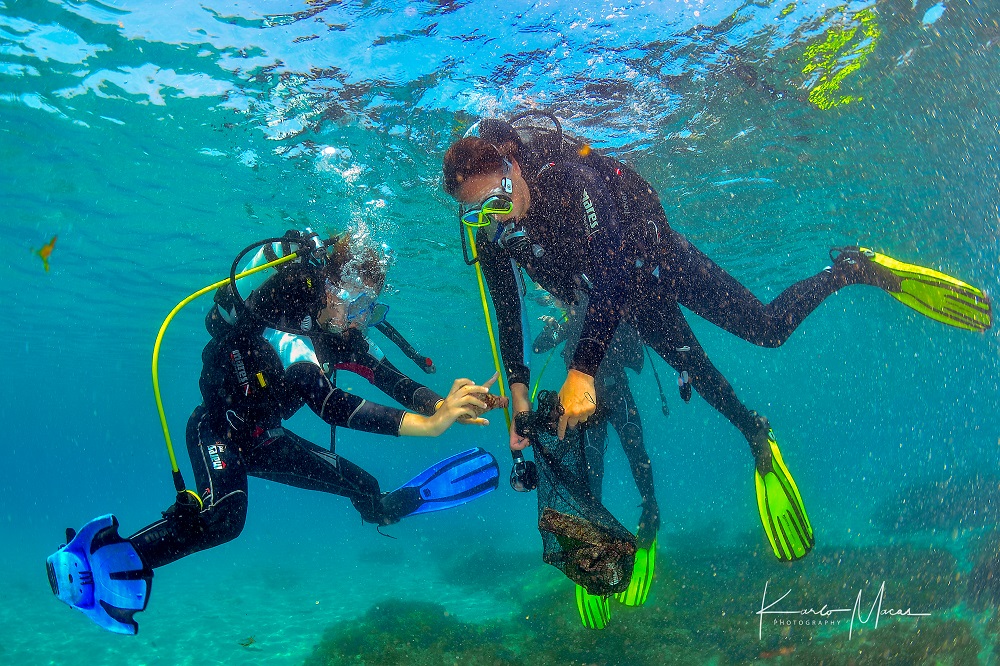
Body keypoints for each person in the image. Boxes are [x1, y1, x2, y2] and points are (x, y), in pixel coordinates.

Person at [442, 113, 992, 567]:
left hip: (660, 260)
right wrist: (518, 393)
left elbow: (609, 269)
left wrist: (582, 370)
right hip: (632, 301)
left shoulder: (570, 179)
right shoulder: (491, 231)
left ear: (514, 166)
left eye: (497, 200)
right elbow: (507, 313)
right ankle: (754, 431)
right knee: (703, 378)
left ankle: (851, 269)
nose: (492, 218)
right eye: (477, 212)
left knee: (768, 329)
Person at [46, 229, 506, 635]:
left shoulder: (339, 331)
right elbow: (330, 405)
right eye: (357, 305)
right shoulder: (286, 325)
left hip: (265, 438)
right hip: (217, 429)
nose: (359, 319)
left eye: (370, 309)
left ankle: (386, 509)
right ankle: (99, 560)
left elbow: (390, 378)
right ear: (332, 289)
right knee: (226, 518)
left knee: (365, 486)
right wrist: (431, 426)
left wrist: (443, 405)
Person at [533, 298, 659, 627]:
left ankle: (650, 512)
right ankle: (595, 538)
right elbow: (538, 346)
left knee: (633, 455)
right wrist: (557, 327)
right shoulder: (573, 319)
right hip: (590, 405)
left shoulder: (607, 311)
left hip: (614, 394)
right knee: (594, 472)